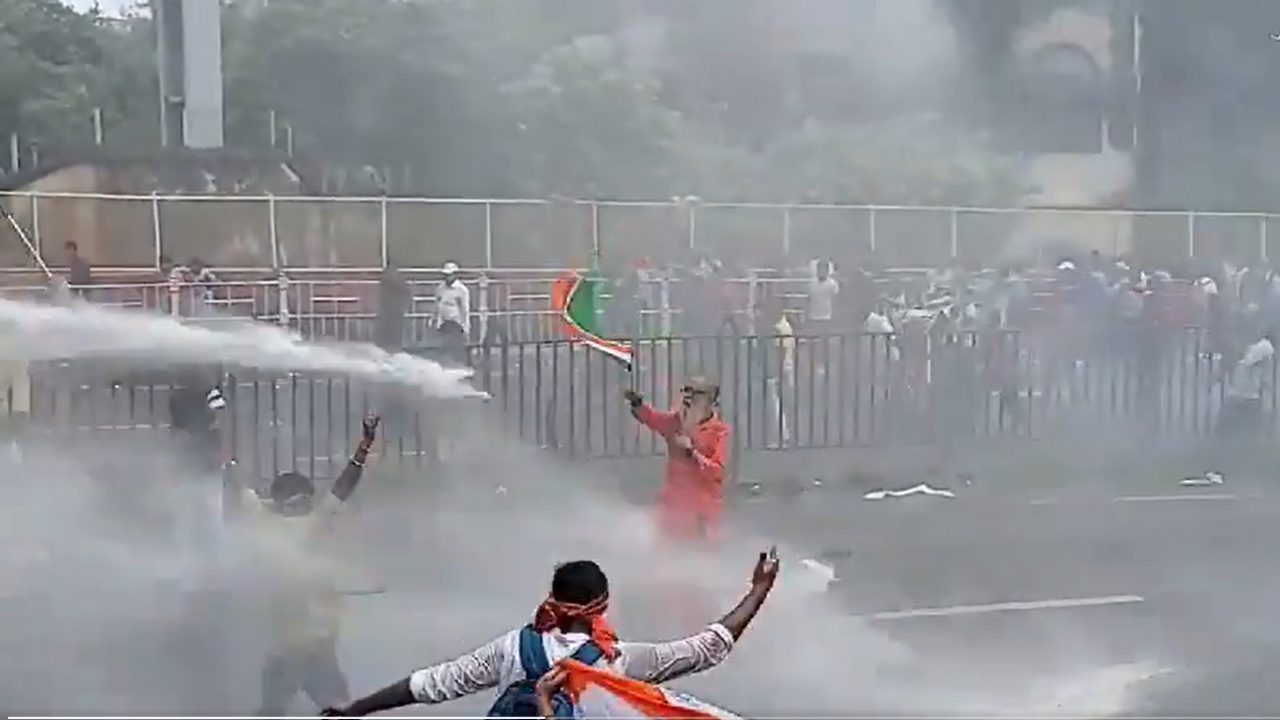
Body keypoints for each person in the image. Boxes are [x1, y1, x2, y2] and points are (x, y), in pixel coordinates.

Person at [319, 548, 780, 718]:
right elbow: (709, 647)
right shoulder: (620, 661)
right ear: (602, 606)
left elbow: (430, 684)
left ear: (553, 600)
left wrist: (354, 711)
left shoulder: (512, 648)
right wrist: (759, 590)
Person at [222, 413, 381, 717]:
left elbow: (236, 479)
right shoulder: (313, 524)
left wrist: (222, 433)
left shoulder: (264, 522)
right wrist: (364, 445)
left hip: (292, 649)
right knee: (335, 707)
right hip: (308, 649)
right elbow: (343, 487)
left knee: (275, 709)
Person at [623, 376, 729, 546]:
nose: (688, 397)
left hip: (700, 513)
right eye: (686, 391)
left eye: (697, 394)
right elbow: (652, 418)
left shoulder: (720, 433)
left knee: (698, 559)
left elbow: (718, 471)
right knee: (665, 556)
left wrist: (692, 452)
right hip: (672, 508)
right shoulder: (675, 423)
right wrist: (637, 405)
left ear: (712, 403)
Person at [434, 261, 470, 362]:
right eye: (445, 275)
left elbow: (465, 310)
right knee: (443, 349)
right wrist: (434, 319)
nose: (447, 277)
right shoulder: (440, 288)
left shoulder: (461, 290)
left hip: (455, 324)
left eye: (449, 275)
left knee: (455, 349)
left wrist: (466, 328)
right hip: (443, 323)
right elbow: (437, 304)